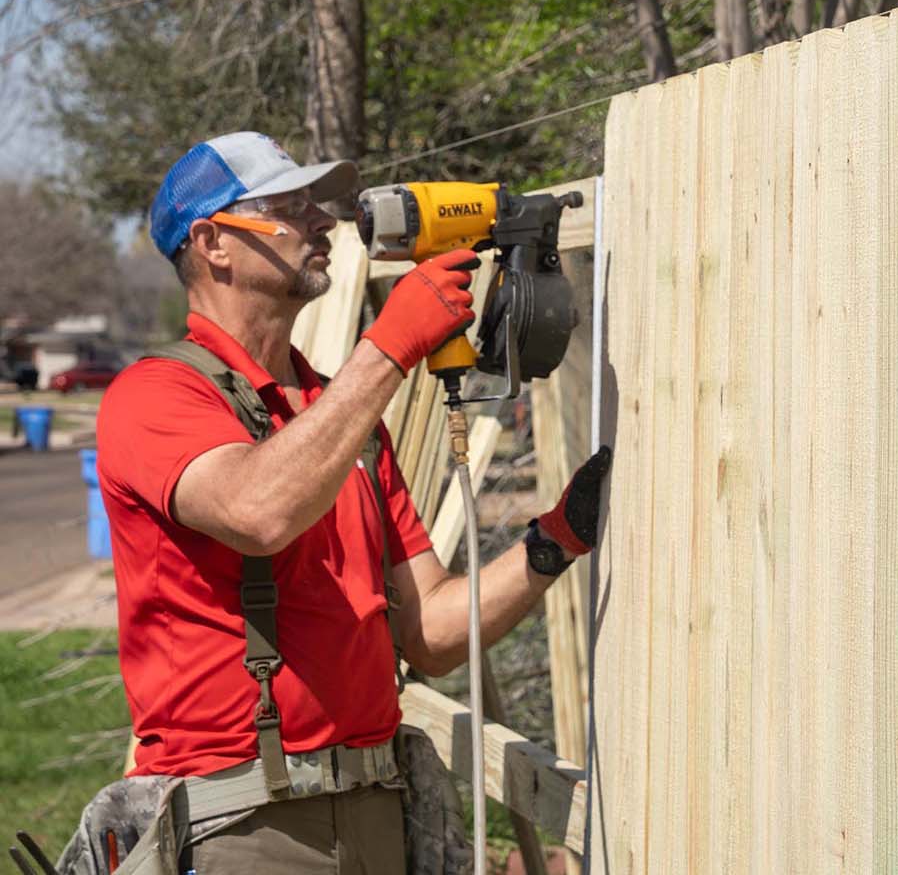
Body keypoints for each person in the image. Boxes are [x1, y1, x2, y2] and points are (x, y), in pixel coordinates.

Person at [81, 132, 609, 874]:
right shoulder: (154, 397)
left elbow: (431, 633)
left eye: (315, 203)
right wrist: (388, 348)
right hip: (243, 826)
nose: (321, 221)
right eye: (289, 206)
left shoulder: (342, 421)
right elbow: (257, 510)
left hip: (376, 811)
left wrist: (556, 540)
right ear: (213, 244)